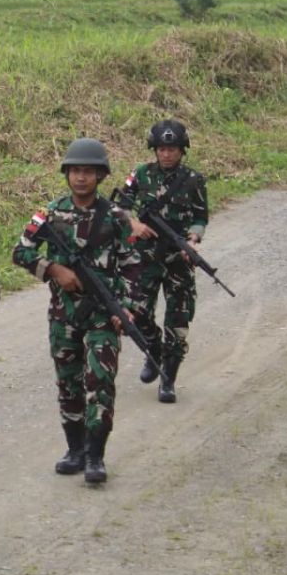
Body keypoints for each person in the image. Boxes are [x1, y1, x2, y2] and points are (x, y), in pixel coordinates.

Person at [12, 138, 142, 485]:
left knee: (99, 382)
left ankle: (96, 455)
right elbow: (20, 252)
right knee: (68, 383)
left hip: (103, 313)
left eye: (88, 172)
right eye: (75, 171)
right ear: (66, 174)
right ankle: (75, 449)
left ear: (100, 176)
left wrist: (126, 310)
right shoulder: (49, 214)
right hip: (63, 314)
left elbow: (132, 266)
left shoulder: (116, 217)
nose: (81, 178)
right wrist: (54, 270)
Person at [114, 120, 209, 403]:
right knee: (137, 313)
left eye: (172, 149)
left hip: (178, 260)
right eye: (162, 149)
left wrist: (192, 240)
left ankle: (168, 378)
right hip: (143, 258)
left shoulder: (194, 179)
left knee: (178, 321)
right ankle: (153, 347)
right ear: (154, 150)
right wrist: (133, 224)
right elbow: (119, 206)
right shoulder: (140, 175)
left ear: (182, 150)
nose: (167, 154)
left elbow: (200, 217)